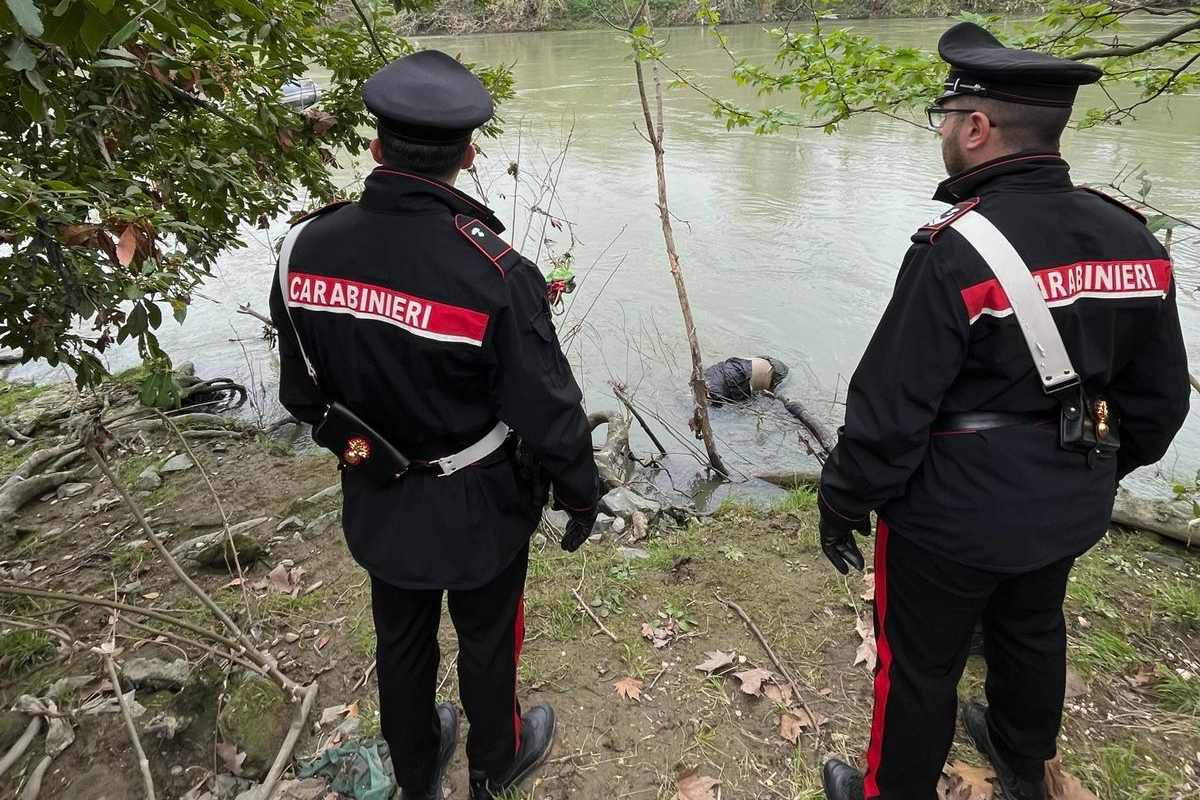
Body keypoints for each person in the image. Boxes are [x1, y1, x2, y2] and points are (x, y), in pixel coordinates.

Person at [816, 22, 1190, 800]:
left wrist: (845, 498)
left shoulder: (953, 250)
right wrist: (1092, 471)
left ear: (978, 128)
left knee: (919, 664)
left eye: (946, 119)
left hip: (949, 517)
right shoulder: (1135, 239)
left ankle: (891, 790)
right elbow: (1159, 402)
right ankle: (1024, 757)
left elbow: (889, 410)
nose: (944, 133)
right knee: (1031, 625)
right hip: (1069, 501)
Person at [269, 50, 601, 800]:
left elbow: (302, 396)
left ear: (376, 148)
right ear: (470, 155)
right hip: (479, 501)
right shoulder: (494, 273)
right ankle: (495, 764)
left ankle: (416, 772)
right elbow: (548, 411)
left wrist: (366, 452)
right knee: (487, 638)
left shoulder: (302, 250)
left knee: (401, 635)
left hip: (376, 488)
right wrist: (579, 493)